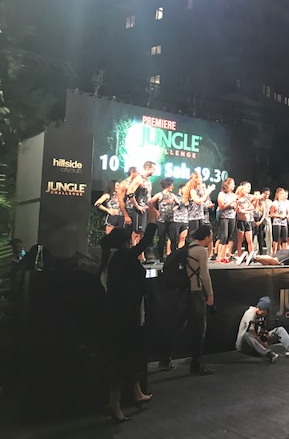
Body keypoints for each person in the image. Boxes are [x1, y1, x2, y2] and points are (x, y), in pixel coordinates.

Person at [100, 202, 157, 422]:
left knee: (129, 355)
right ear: (125, 242)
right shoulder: (122, 258)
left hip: (121, 314)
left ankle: (136, 392)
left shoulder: (111, 259)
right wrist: (152, 221)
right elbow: (145, 243)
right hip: (125, 317)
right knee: (123, 358)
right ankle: (114, 404)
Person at [235, 296, 289, 362]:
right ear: (258, 308)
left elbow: (258, 330)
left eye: (264, 314)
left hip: (257, 344)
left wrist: (265, 333)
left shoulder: (260, 315)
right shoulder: (250, 313)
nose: (263, 315)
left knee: (280, 329)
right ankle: (268, 354)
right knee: (246, 335)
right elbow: (252, 333)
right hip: (244, 345)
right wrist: (262, 343)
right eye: (262, 313)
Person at [186, 224, 215, 375]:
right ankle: (196, 365)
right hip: (196, 293)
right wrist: (210, 294)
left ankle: (165, 359)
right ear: (207, 237)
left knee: (180, 326)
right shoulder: (201, 251)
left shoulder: (187, 248)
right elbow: (204, 275)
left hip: (183, 292)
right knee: (199, 329)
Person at [125, 161, 156, 260]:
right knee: (136, 233)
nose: (154, 171)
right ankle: (133, 255)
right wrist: (137, 206)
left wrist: (153, 210)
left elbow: (148, 198)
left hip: (145, 209)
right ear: (148, 168)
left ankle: (140, 256)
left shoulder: (148, 181)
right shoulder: (139, 179)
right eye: (153, 169)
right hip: (139, 210)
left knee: (142, 233)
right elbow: (130, 193)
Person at [150, 177, 180, 261]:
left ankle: (174, 256)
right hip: (161, 220)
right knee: (161, 238)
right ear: (168, 185)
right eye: (171, 185)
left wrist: (173, 209)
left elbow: (178, 203)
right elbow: (151, 202)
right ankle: (161, 256)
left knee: (173, 238)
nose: (172, 187)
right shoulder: (159, 195)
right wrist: (156, 211)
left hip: (171, 220)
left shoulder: (172, 195)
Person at [235, 182, 258, 260]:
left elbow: (252, 208)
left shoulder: (246, 199)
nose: (245, 192)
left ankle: (251, 256)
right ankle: (239, 256)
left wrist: (244, 210)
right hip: (241, 221)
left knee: (250, 240)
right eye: (244, 191)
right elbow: (238, 211)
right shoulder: (237, 199)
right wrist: (243, 210)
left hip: (248, 221)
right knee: (240, 240)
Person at [216, 177, 237, 263]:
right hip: (224, 217)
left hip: (232, 217)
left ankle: (224, 256)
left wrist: (236, 204)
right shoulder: (221, 194)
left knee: (229, 237)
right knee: (223, 236)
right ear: (227, 185)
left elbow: (235, 206)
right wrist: (231, 202)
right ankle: (218, 256)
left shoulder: (233, 195)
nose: (233, 186)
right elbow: (221, 206)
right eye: (232, 184)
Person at [270, 188, 289, 254]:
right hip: (277, 223)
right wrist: (280, 216)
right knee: (276, 239)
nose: (282, 195)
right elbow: (271, 213)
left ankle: (284, 254)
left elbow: (287, 212)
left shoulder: (285, 203)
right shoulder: (275, 203)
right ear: (277, 194)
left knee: (284, 239)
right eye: (280, 193)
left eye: (283, 193)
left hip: (284, 223)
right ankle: (274, 253)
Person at [172, 183, 189, 250]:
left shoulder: (187, 199)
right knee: (172, 238)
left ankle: (180, 253)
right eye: (185, 189)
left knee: (183, 237)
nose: (186, 191)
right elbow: (174, 206)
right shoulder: (175, 197)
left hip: (185, 220)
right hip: (176, 220)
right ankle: (169, 253)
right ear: (180, 189)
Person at [260, 187, 273, 253]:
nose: (267, 195)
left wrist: (271, 214)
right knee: (258, 235)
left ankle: (269, 251)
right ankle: (256, 250)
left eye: (268, 194)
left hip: (267, 219)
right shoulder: (259, 200)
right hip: (259, 218)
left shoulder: (270, 201)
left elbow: (272, 210)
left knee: (269, 235)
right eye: (265, 194)